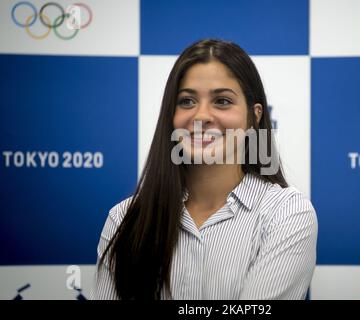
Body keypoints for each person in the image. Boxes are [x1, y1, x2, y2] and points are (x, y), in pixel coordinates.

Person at [90, 39, 318, 300]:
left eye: (222, 101)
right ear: (171, 115)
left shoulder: (286, 214)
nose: (201, 116)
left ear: (254, 117)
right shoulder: (124, 218)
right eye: (187, 101)